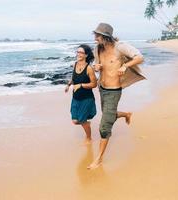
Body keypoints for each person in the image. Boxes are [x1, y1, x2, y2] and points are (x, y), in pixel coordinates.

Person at [87, 23, 145, 169]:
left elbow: (139, 57)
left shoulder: (120, 47)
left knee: (104, 127)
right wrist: (96, 67)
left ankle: (99, 159)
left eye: (97, 35)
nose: (95, 38)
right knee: (109, 115)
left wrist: (125, 66)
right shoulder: (97, 49)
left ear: (105, 37)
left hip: (114, 90)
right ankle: (126, 114)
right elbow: (95, 64)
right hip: (102, 88)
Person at [65, 44, 97, 145]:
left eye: (81, 52)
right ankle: (86, 123)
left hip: (86, 98)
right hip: (76, 97)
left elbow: (94, 84)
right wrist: (69, 84)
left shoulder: (89, 69)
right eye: (77, 52)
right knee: (75, 121)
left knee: (82, 120)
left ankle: (89, 138)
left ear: (86, 55)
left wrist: (81, 85)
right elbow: (74, 77)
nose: (78, 54)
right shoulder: (75, 64)